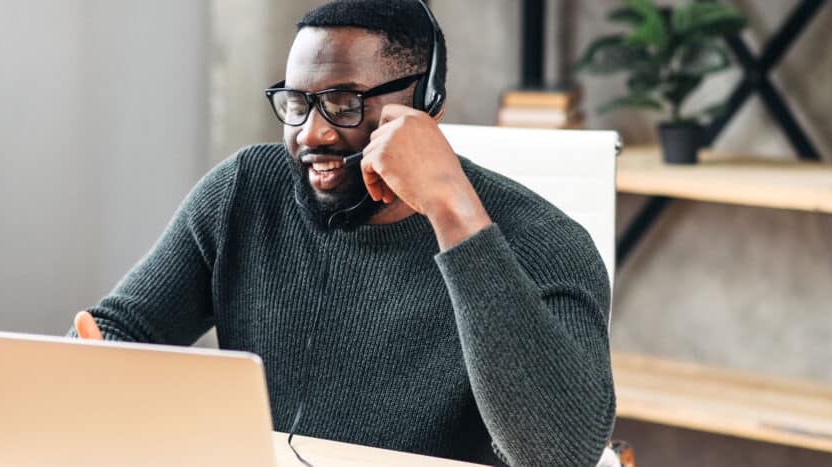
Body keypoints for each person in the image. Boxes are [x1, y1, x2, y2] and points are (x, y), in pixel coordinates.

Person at [71, 0, 614, 465]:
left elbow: (561, 454)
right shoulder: (246, 192)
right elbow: (119, 329)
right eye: (297, 103)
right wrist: (89, 367)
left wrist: (452, 212)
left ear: (427, 105)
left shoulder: (545, 242)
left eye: (344, 103)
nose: (314, 133)